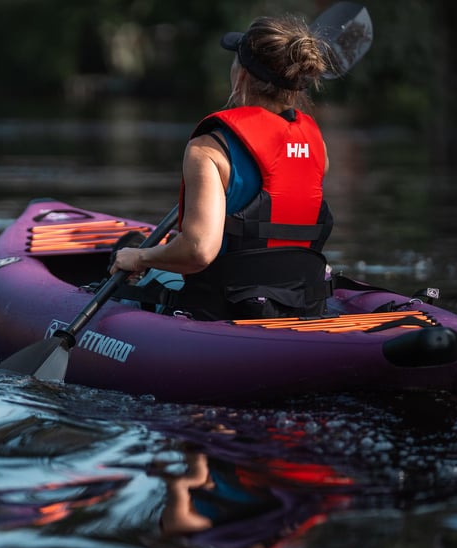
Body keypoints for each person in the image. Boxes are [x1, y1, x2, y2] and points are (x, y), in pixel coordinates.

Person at [110, 14, 334, 320]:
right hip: (304, 302)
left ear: (241, 74)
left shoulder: (209, 148)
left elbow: (199, 251)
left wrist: (140, 257)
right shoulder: (316, 146)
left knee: (127, 262)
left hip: (225, 307)